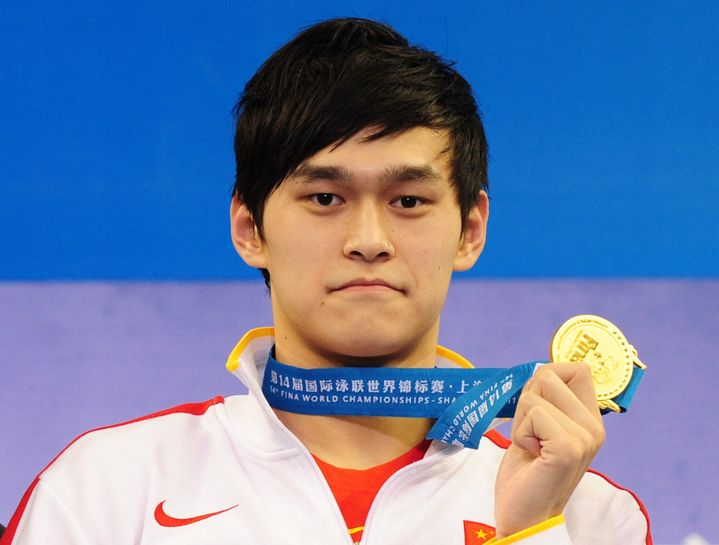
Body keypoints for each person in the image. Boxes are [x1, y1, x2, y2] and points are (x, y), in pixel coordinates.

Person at [0, 18, 651, 545]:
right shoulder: (105, 493)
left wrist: (527, 533)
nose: (368, 239)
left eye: (407, 201)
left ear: (471, 228)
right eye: (323, 197)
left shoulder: (591, 518)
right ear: (249, 226)